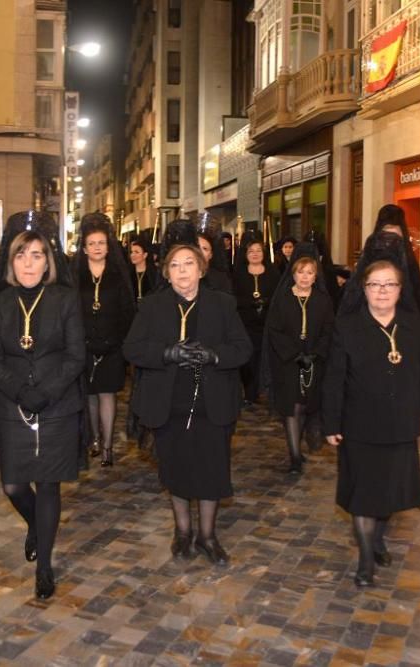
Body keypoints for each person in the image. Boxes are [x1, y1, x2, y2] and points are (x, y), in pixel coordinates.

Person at [124, 220, 252, 565]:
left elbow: (243, 349)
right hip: (169, 402)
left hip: (212, 402)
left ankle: (208, 536)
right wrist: (166, 353)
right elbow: (132, 349)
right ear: (166, 273)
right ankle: (182, 533)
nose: (182, 272)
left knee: (211, 472)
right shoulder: (152, 306)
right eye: (175, 266)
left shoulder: (222, 304)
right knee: (177, 471)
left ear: (201, 268)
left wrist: (214, 355)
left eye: (189, 264)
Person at [323, 254, 420, 588]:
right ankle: (365, 560)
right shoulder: (348, 326)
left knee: (389, 492)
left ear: (399, 289)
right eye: (374, 285)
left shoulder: (415, 325)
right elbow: (334, 379)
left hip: (401, 425)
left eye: (389, 284)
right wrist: (331, 423)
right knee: (363, 495)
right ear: (363, 289)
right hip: (359, 426)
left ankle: (377, 539)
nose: (381, 291)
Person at [0, 225, 84, 600]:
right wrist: (22, 392)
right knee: (12, 484)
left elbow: (76, 356)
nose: (28, 262)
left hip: (57, 406)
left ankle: (44, 567)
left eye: (37, 255)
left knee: (49, 484)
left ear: (48, 263)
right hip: (14, 405)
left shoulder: (65, 299)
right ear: (11, 262)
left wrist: (47, 392)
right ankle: (36, 526)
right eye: (21, 255)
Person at [263, 249, 334, 473]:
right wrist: (294, 354)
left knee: (304, 405)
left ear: (316, 276)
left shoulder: (323, 301)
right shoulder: (282, 300)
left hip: (314, 362)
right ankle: (294, 456)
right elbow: (274, 331)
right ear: (293, 275)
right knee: (292, 407)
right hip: (288, 363)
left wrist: (315, 353)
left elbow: (329, 330)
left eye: (309, 273)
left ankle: (298, 449)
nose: (304, 277)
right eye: (300, 272)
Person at [73, 213, 134, 467]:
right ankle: (94, 439)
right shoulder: (75, 274)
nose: (97, 247)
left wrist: (117, 341)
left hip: (112, 346)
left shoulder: (118, 275)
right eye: (92, 244)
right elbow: (69, 311)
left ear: (108, 247)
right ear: (85, 249)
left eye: (101, 243)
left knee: (108, 394)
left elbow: (127, 311)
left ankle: (108, 445)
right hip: (84, 345)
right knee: (90, 395)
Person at [233, 233, 279, 405]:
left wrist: (265, 302)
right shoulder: (238, 273)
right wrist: (250, 302)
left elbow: (277, 297)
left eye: (258, 250)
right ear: (246, 254)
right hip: (245, 324)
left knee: (262, 357)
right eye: (251, 251)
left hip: (266, 324)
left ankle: (261, 390)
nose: (255, 254)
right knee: (248, 358)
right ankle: (249, 392)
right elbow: (233, 297)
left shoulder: (273, 273)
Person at [129, 236, 159, 303]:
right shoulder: (128, 274)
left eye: (136, 252)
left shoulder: (154, 274)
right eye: (131, 252)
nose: (132, 255)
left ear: (145, 255)